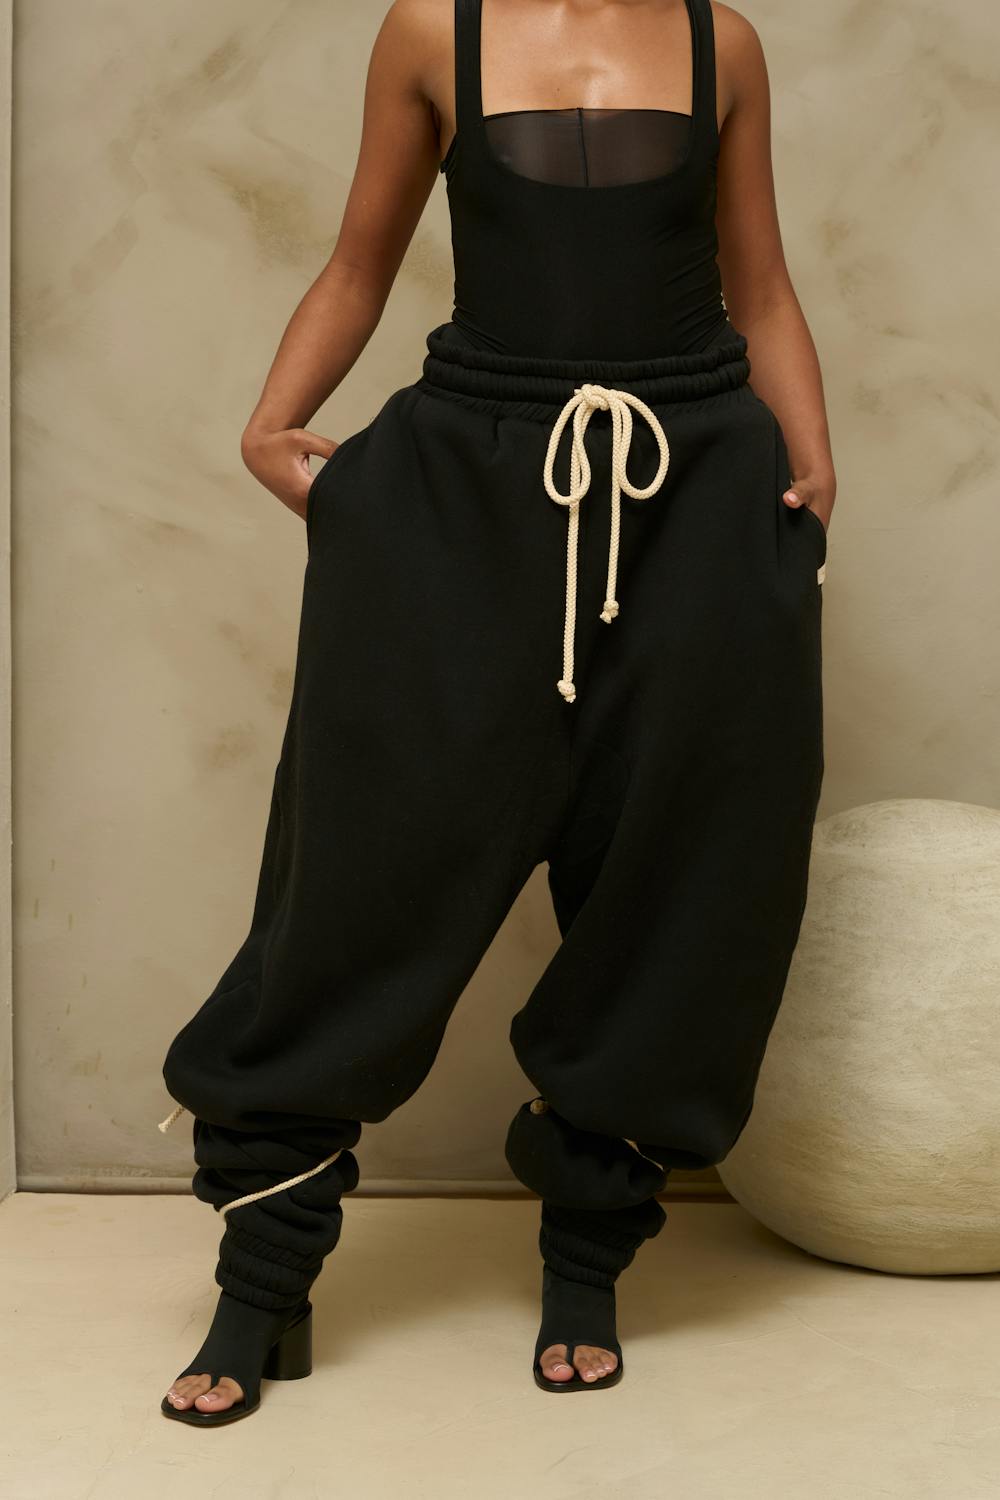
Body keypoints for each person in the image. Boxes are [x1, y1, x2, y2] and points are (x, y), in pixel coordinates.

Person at [158, 0, 836, 1423]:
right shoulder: (429, 30)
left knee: (686, 872)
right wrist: (271, 426)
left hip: (695, 489)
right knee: (365, 871)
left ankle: (587, 1258)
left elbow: (762, 284)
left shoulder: (722, 42)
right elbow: (360, 261)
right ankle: (264, 1271)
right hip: (468, 487)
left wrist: (812, 482)